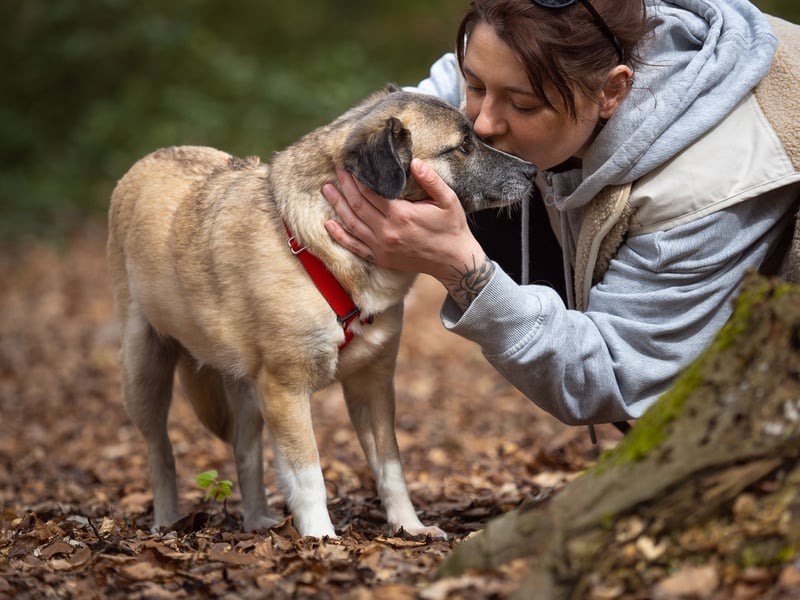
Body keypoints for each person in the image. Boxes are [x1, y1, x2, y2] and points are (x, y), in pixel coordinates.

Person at [321, 0, 800, 427]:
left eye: (523, 103)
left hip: (770, 398)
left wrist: (460, 268)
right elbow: (413, 111)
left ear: (613, 91)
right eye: (474, 84)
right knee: (450, 164)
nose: (483, 121)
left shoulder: (706, 183)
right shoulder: (543, 54)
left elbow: (611, 377)